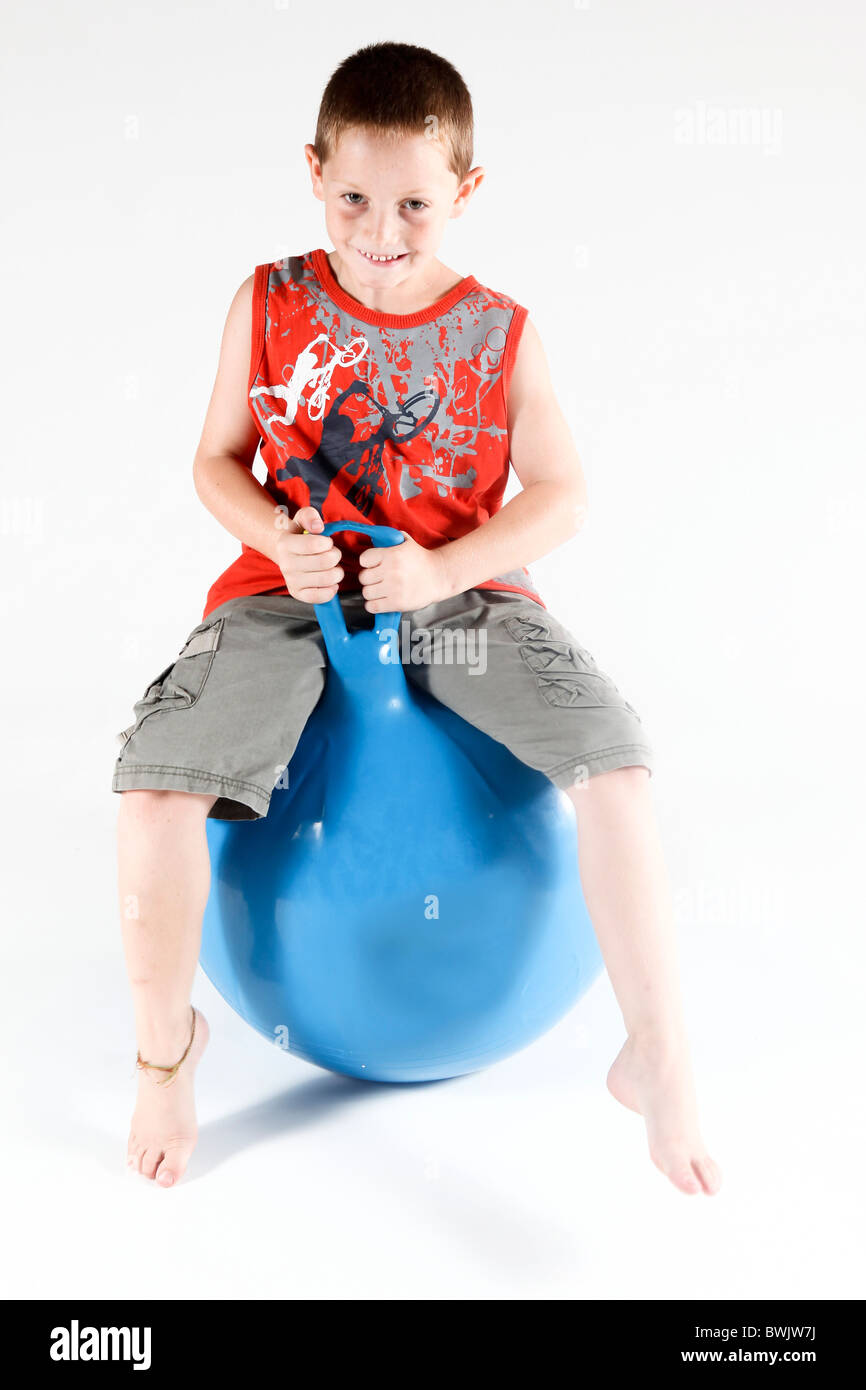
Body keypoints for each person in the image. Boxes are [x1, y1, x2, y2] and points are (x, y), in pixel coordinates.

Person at [113, 41, 721, 1197]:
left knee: (619, 772)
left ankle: (659, 1053)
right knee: (151, 797)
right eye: (351, 198)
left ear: (465, 195)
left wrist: (444, 574)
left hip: (458, 606)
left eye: (413, 207)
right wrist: (278, 537)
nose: (378, 233)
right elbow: (213, 463)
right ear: (311, 172)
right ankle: (163, 1055)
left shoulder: (500, 331)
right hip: (283, 604)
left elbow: (561, 497)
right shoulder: (269, 300)